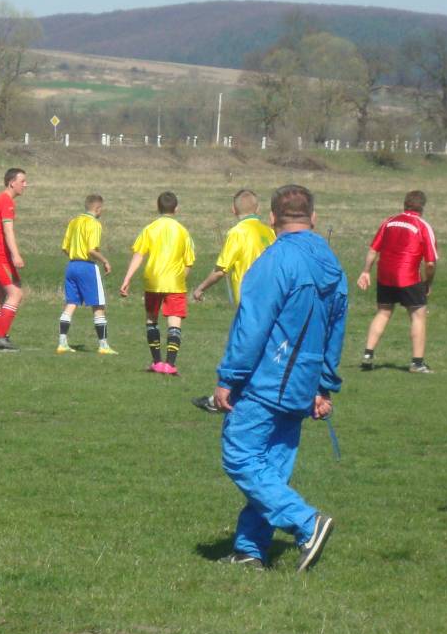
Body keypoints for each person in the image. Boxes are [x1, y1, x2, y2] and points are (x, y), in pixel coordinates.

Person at [210, 184, 349, 571]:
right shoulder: (333, 264)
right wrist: (323, 385)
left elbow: (252, 326)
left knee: (239, 455)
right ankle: (250, 550)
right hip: (303, 383)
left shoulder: (274, 261)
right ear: (313, 218)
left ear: (272, 219)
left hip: (267, 378)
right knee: (270, 468)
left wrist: (229, 377)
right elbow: (336, 329)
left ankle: (306, 522)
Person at [190, 189, 276, 410]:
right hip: (273, 301)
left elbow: (221, 269)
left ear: (233, 209)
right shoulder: (269, 232)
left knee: (240, 351)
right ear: (258, 208)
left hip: (249, 303)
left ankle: (222, 399)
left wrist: (200, 288)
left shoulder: (237, 232)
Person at [356, 189, 439, 374]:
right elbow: (430, 263)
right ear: (422, 207)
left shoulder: (389, 221)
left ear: (404, 204)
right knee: (418, 315)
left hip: (385, 274)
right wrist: (428, 282)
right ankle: (417, 363)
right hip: (408, 276)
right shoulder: (423, 226)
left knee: (383, 312)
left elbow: (373, 249)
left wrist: (366, 271)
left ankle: (367, 355)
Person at [118, 191, 196, 375]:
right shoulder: (183, 231)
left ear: (157, 207)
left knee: (151, 319)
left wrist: (127, 278)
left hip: (153, 280)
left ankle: (156, 362)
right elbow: (189, 262)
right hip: (175, 282)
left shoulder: (150, 229)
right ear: (176, 209)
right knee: (174, 321)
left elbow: (139, 255)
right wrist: (181, 278)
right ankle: (170, 365)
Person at [56, 193, 117, 355]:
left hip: (72, 265)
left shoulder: (74, 221)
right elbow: (91, 250)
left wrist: (75, 255)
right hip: (87, 267)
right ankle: (103, 345)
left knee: (71, 303)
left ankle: (62, 343)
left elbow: (64, 247)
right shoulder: (94, 224)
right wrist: (105, 261)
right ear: (98, 208)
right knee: (98, 305)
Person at [0, 167, 28, 350]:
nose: (26, 184)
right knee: (16, 293)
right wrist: (15, 254)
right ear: (11, 183)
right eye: (22, 181)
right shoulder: (7, 201)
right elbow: (8, 231)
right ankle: (1, 337)